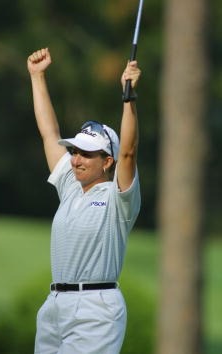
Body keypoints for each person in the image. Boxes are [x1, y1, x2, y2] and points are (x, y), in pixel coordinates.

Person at [27, 47, 141, 354]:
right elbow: (49, 134)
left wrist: (128, 100)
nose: (76, 159)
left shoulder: (119, 198)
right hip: (54, 306)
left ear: (107, 161)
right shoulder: (70, 185)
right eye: (75, 151)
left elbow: (128, 151)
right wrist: (37, 77)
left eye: (86, 154)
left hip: (96, 310)